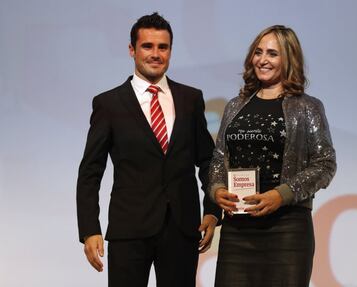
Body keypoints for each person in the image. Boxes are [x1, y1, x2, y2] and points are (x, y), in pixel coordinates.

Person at [76, 12, 221, 287]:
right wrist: (89, 229)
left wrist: (212, 210)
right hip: (128, 228)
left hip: (182, 228)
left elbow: (207, 160)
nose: (156, 54)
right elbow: (90, 171)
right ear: (132, 50)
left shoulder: (191, 99)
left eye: (163, 47)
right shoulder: (108, 104)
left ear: (170, 51)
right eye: (147, 46)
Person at [209, 25, 336, 286]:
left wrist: (282, 195)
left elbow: (325, 164)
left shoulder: (308, 106)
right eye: (258, 52)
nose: (263, 60)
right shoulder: (235, 105)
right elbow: (219, 157)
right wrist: (217, 188)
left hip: (287, 230)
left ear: (289, 59)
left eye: (272, 54)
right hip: (237, 229)